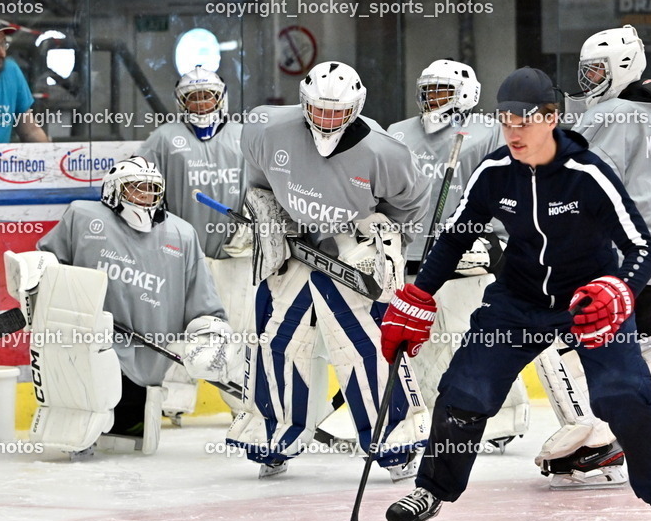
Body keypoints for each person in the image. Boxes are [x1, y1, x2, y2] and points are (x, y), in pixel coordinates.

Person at [379, 67, 651, 521]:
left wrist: (619, 290)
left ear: (551, 118)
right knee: (464, 390)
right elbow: (453, 238)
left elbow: (641, 248)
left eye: (525, 119)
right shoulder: (493, 173)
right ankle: (430, 490)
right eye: (505, 119)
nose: (513, 130)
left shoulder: (588, 173)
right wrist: (417, 297)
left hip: (590, 301)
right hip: (518, 300)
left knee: (624, 395)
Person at [532, 24, 651, 488]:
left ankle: (598, 441)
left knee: (563, 336)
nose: (590, 79)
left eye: (598, 70)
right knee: (642, 339)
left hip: (625, 257)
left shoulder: (611, 115)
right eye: (586, 70)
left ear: (621, 67)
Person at [227, 60, 430, 480]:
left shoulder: (384, 151)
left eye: (337, 112)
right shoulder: (266, 129)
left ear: (355, 108)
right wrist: (266, 215)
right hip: (293, 249)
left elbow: (411, 203)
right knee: (277, 342)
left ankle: (393, 441)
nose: (326, 119)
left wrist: (388, 240)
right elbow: (258, 179)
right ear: (304, 103)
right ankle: (273, 436)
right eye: (318, 110)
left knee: (367, 347)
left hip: (352, 256)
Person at [6, 156, 232, 455]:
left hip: (147, 355)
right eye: (136, 189)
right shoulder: (83, 217)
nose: (145, 197)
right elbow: (49, 264)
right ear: (114, 191)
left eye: (152, 190)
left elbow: (202, 299)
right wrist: (33, 277)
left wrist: (209, 334)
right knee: (81, 421)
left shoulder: (181, 234)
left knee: (135, 443)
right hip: (89, 344)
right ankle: (74, 441)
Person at [387, 60, 528, 451]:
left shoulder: (487, 132)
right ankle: (438, 415)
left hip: (471, 255)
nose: (432, 99)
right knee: (425, 345)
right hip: (414, 255)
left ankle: (506, 419)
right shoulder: (397, 133)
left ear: (465, 94)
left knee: (477, 340)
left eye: (442, 91)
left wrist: (496, 240)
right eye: (427, 90)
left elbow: (509, 191)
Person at [135, 66, 252, 418]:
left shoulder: (244, 136)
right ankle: (172, 403)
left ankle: (240, 402)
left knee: (236, 329)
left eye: (207, 96)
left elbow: (266, 187)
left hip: (236, 255)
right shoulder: (164, 139)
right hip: (183, 258)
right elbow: (141, 189)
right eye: (193, 97)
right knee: (178, 330)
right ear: (181, 102)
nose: (201, 103)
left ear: (221, 97)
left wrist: (255, 222)